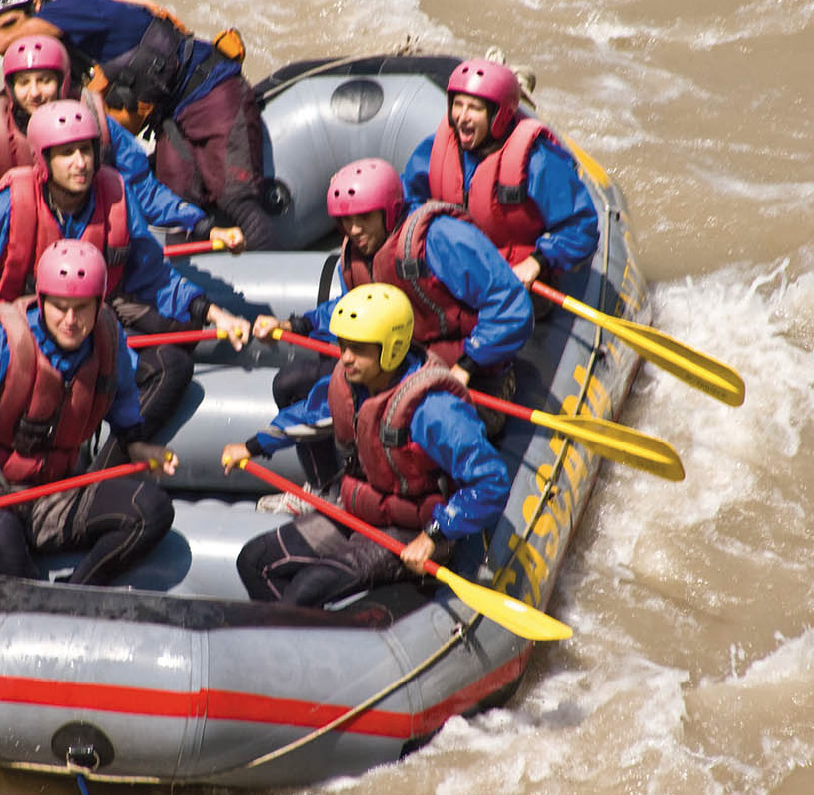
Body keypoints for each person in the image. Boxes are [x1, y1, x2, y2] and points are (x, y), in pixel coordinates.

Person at [0, 98, 250, 436]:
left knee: (178, 335)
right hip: (15, 332)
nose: (81, 163)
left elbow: (155, 276)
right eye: (67, 153)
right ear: (44, 160)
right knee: (170, 367)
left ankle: (107, 441)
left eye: (86, 151)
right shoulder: (7, 210)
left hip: (83, 321)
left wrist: (214, 313)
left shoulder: (116, 196)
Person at [0, 0, 274, 249]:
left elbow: (0, 43)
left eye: (15, 25)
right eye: (5, 30)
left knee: (235, 198)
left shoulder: (72, 8)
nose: (18, 41)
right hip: (171, 120)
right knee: (178, 216)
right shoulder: (50, 68)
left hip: (210, 91)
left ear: (35, 5)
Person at [0, 239, 178, 585]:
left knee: (152, 509)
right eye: (60, 307)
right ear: (41, 301)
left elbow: (122, 395)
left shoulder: (107, 337)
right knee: (4, 539)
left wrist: (135, 442)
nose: (70, 320)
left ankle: (77, 593)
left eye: (82, 307)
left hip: (51, 491)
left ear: (99, 303)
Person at [222, 284, 511, 607]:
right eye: (343, 345)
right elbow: (310, 414)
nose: (345, 357)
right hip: (359, 510)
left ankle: (301, 642)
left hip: (412, 528)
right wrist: (251, 446)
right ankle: (296, 641)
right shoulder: (351, 384)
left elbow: (491, 481)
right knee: (253, 561)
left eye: (358, 349)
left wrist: (433, 537)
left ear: (391, 348)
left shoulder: (436, 410)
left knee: (305, 591)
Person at [251, 158, 532, 477]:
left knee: (397, 422)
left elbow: (509, 303)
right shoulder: (359, 251)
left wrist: (467, 367)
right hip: (394, 365)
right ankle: (327, 487)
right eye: (346, 220)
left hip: (473, 376)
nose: (354, 230)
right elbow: (355, 309)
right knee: (292, 383)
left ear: (389, 210)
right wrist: (297, 325)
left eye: (364, 217)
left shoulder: (440, 238)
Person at [0, 34, 245, 250]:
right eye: (24, 83)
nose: (35, 93)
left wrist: (203, 226)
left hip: (87, 255)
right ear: (10, 87)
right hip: (26, 256)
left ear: (64, 80)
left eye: (45, 81)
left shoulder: (95, 120)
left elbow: (143, 191)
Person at [400, 58, 600, 289]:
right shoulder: (438, 147)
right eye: (458, 105)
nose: (462, 117)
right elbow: (407, 199)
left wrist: (537, 262)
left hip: (511, 276)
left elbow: (582, 226)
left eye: (474, 108)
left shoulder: (538, 160)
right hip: (454, 265)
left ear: (498, 116)